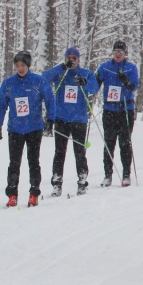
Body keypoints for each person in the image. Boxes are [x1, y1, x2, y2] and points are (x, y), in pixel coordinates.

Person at [0, 51, 56, 208]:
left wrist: (51, 119)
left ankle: (34, 193)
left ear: (28, 65)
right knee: (14, 163)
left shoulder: (38, 81)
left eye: (22, 65)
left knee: (33, 161)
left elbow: (50, 100)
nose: (20, 68)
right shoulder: (8, 83)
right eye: (17, 65)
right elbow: (1, 106)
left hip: (34, 128)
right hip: (15, 129)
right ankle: (12, 195)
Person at [42, 47, 99, 196]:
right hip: (61, 118)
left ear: (79, 60)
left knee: (79, 152)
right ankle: (57, 183)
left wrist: (84, 82)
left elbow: (94, 88)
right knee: (59, 152)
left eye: (74, 58)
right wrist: (61, 67)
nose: (72, 60)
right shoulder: (61, 73)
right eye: (69, 57)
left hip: (79, 119)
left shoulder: (86, 73)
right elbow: (44, 78)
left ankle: (82, 181)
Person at [95, 40, 138, 187]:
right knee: (109, 143)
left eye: (120, 52)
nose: (118, 54)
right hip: (109, 110)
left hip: (126, 110)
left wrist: (125, 81)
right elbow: (96, 84)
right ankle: (108, 175)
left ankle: (126, 174)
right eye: (115, 52)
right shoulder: (105, 67)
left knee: (125, 143)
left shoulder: (131, 68)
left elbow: (134, 87)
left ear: (125, 53)